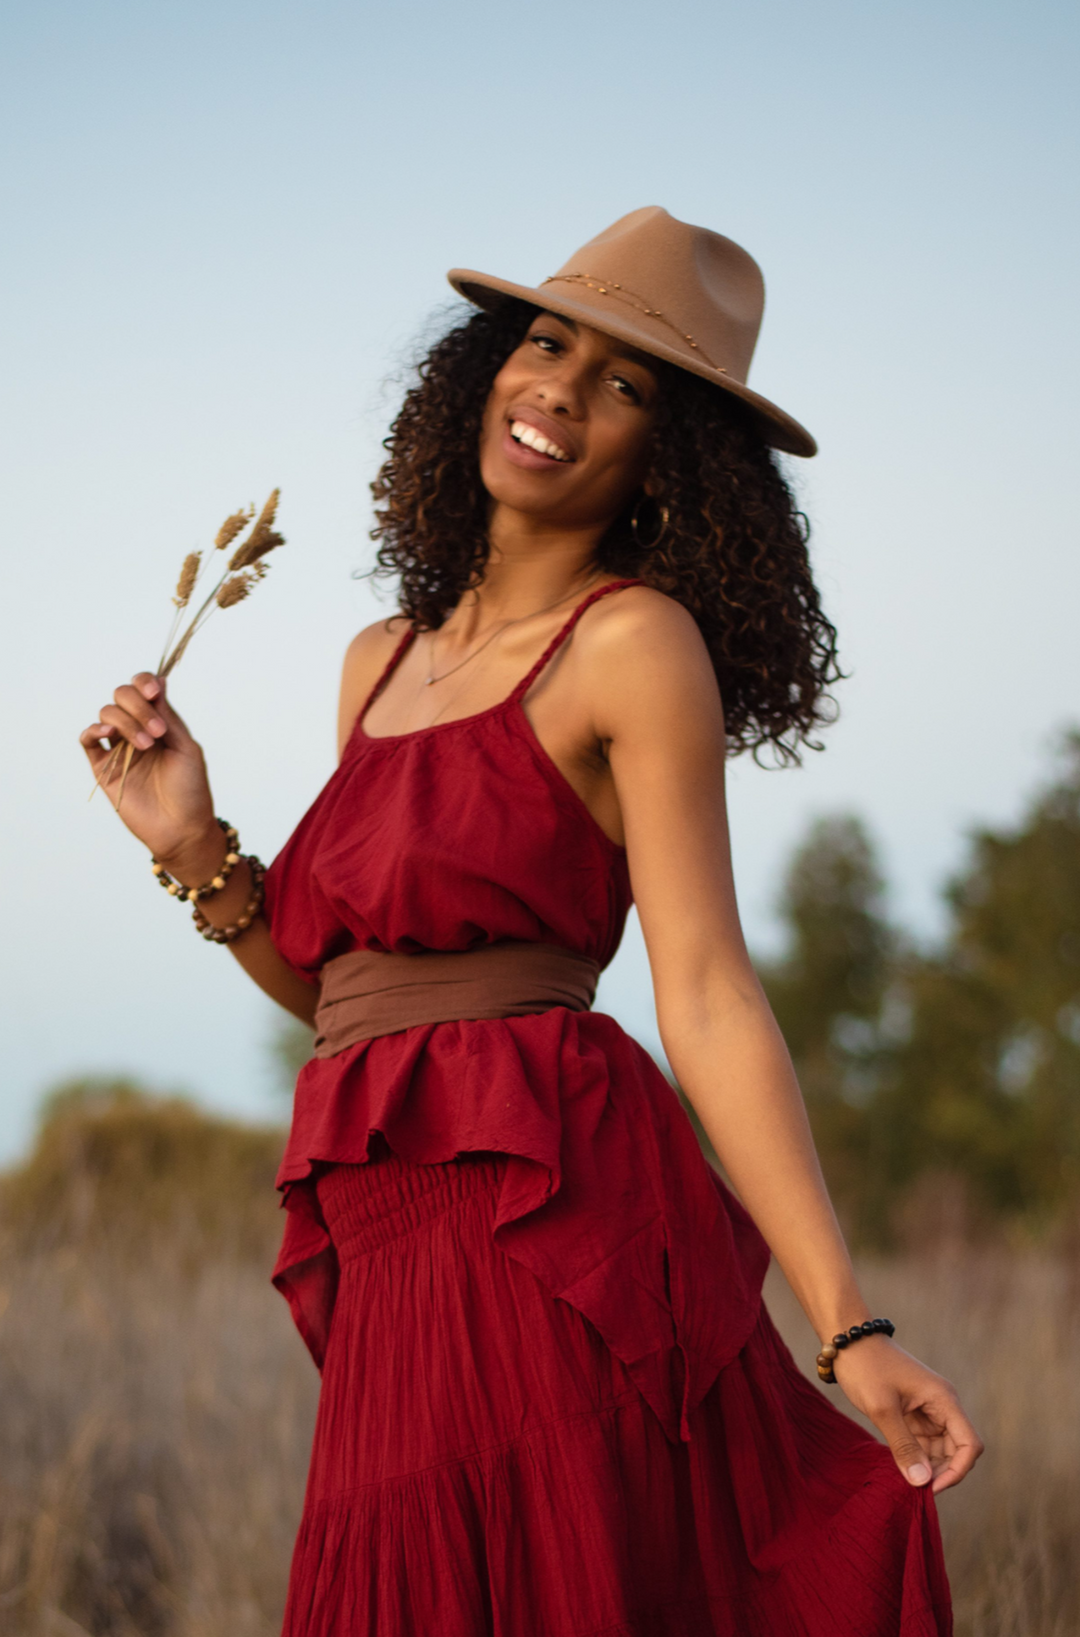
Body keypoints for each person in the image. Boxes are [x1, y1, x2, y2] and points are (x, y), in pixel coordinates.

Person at [81, 206, 982, 1637]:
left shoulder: (633, 644)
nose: (560, 387)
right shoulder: (379, 661)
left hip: (546, 1225)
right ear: (485, 377)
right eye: (546, 344)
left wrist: (847, 1325)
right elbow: (357, 1011)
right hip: (395, 1247)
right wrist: (193, 844)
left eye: (625, 384)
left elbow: (706, 994)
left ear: (668, 460)